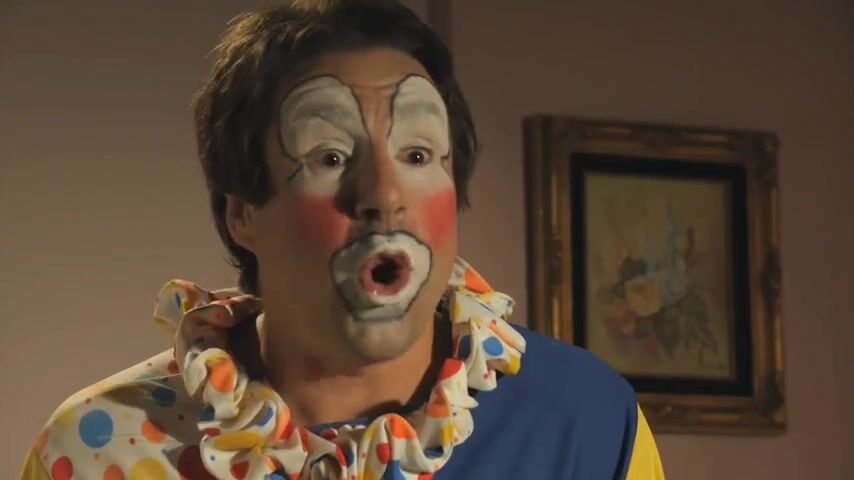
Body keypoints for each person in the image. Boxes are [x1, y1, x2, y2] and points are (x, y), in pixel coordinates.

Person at [19, 1, 665, 478]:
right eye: (329, 157)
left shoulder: (586, 423)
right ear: (243, 213)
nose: (383, 194)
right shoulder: (103, 448)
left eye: (417, 154)